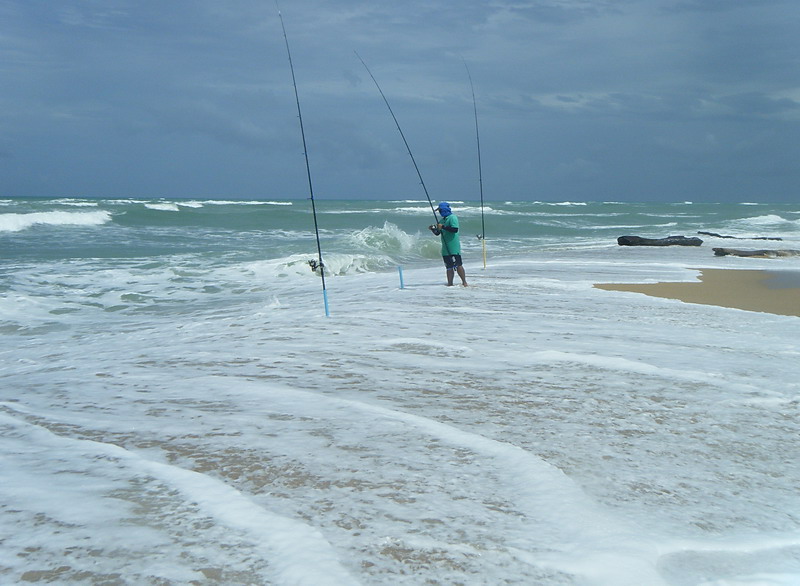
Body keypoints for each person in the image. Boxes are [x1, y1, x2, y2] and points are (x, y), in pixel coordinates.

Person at [428, 201, 468, 287]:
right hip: (445, 248)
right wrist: (433, 229)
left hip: (453, 247)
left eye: (441, 210)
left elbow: (454, 229)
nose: (440, 212)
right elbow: (438, 233)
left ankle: (464, 282)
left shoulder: (452, 217)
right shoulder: (441, 220)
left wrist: (443, 227)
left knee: (458, 265)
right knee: (448, 267)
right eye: (439, 211)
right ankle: (450, 284)